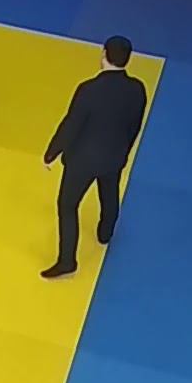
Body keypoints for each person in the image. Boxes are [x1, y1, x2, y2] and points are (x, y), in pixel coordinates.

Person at [42, 36, 148, 279]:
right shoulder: (137, 88)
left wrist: (51, 153)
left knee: (68, 205)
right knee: (109, 192)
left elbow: (71, 125)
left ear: (103, 54)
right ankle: (105, 232)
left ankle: (67, 261)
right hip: (115, 155)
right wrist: (124, 151)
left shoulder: (89, 89)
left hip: (83, 160)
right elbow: (135, 125)